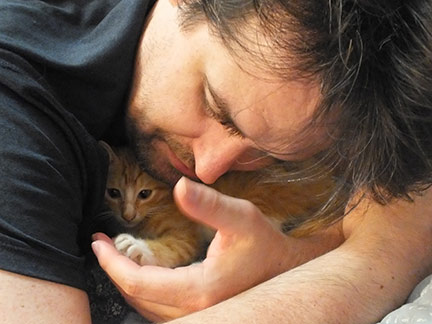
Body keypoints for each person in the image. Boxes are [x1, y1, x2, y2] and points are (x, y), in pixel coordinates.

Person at [1, 0, 431, 323]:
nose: (208, 171)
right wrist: (367, 263)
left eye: (268, 154)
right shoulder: (14, 106)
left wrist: (301, 257)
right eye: (215, 106)